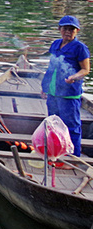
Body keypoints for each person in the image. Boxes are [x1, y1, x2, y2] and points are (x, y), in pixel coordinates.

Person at [42, 16, 90, 156]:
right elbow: (51, 68)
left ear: (77, 31)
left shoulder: (80, 48)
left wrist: (74, 77)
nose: (68, 32)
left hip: (69, 93)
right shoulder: (56, 44)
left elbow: (85, 69)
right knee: (53, 123)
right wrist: (45, 87)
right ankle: (56, 151)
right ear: (59, 29)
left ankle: (74, 157)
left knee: (72, 126)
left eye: (71, 29)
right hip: (53, 92)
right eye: (65, 28)